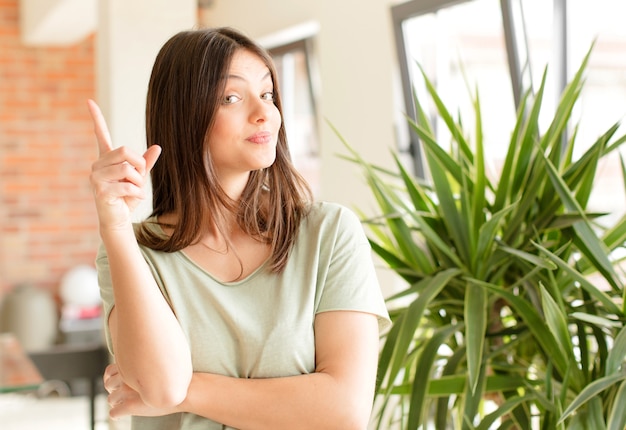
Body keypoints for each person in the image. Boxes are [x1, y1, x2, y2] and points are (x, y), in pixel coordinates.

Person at [88, 26, 390, 430]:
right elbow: (160, 388)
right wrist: (115, 223)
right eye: (232, 97)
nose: (264, 112)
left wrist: (189, 391)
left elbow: (344, 410)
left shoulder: (329, 233)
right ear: (184, 114)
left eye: (267, 94)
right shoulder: (132, 251)